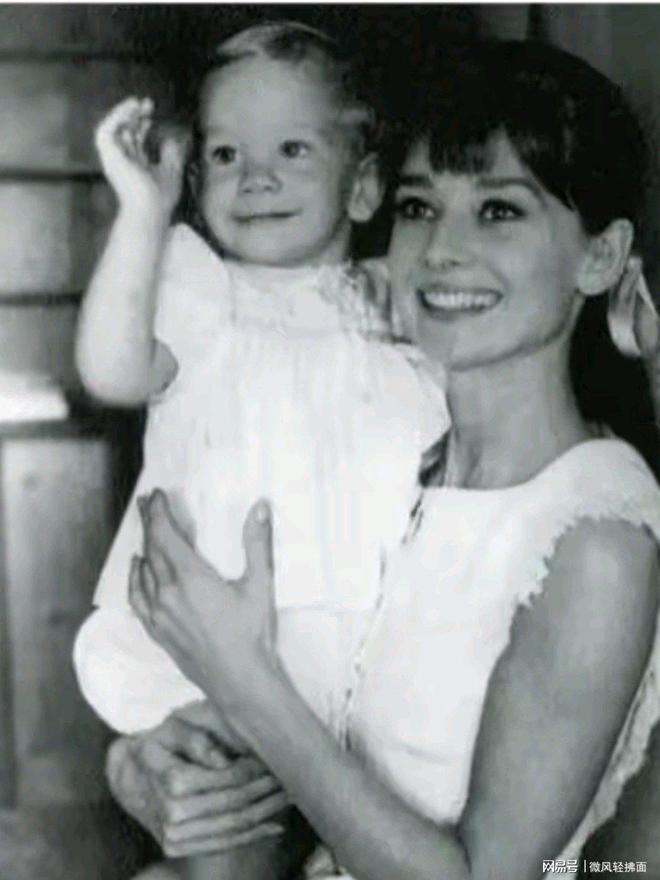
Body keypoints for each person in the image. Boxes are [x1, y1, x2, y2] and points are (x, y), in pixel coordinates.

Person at [123, 40, 660, 880]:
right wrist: (147, 765)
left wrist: (241, 680)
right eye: (418, 206)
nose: (441, 249)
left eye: (499, 210)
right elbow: (295, 748)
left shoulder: (597, 540)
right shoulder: (384, 451)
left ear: (599, 255)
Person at [73, 19, 449, 880]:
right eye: (227, 155)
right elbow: (110, 369)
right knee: (228, 840)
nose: (257, 176)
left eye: (292, 149)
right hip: (219, 663)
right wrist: (142, 215)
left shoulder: (393, 303)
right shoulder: (199, 293)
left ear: (363, 187)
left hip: (372, 667)